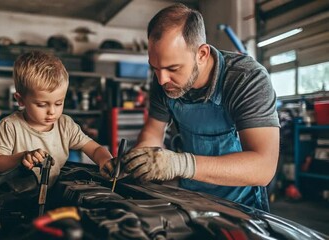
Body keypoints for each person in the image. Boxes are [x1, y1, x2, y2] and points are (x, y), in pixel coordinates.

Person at [101, 4, 280, 211]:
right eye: (155, 68)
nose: (161, 79)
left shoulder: (246, 79)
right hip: (190, 198)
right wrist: (136, 163)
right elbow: (153, 131)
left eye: (173, 68)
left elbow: (263, 167)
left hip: (242, 207)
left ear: (202, 54)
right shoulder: (163, 78)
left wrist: (179, 164)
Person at [0, 51, 113, 186]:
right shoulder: (10, 126)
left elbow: (94, 149)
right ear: (21, 100)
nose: (52, 112)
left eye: (59, 103)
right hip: (15, 196)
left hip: (52, 193)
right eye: (41, 105)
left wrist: (106, 161)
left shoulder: (65, 125)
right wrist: (21, 157)